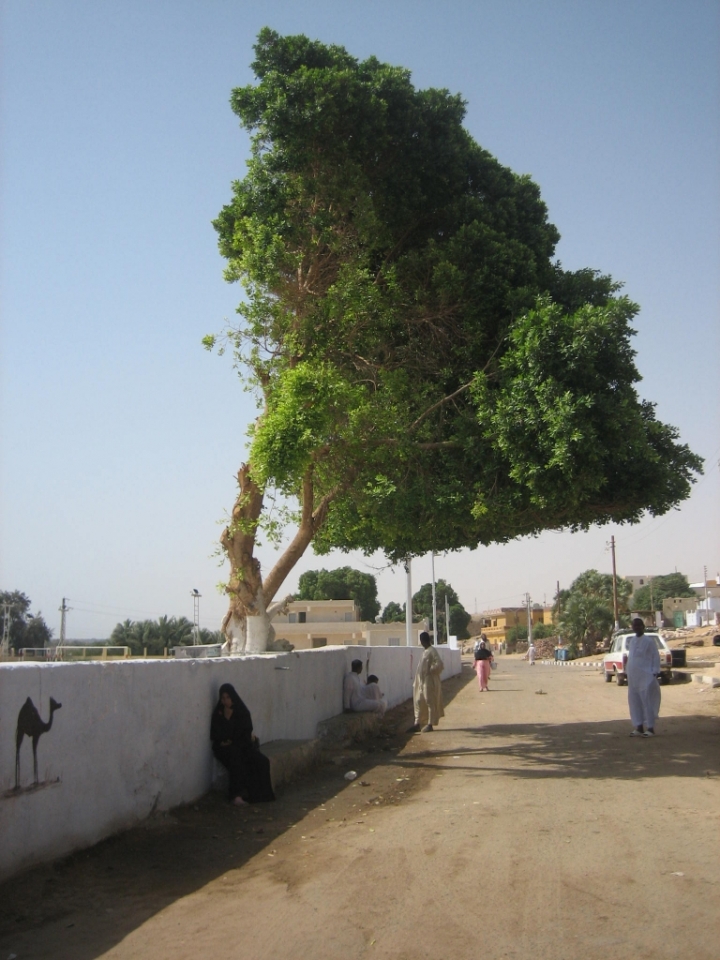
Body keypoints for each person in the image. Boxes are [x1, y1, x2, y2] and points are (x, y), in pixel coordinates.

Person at [210, 683, 275, 806]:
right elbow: (217, 735)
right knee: (236, 759)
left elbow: (245, 732)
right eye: (223, 698)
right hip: (225, 749)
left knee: (261, 761)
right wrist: (226, 719)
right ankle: (236, 795)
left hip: (242, 745)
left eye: (228, 698)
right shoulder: (219, 713)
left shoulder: (241, 711)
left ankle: (261, 795)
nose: (225, 701)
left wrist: (233, 738)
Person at [627, 618, 661, 737]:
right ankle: (639, 727)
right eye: (634, 625)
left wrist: (654, 672)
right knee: (634, 702)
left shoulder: (649, 641)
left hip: (646, 677)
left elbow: (655, 657)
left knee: (647, 702)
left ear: (643, 626)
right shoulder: (632, 641)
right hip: (633, 678)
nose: (636, 627)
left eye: (638, 625)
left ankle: (650, 728)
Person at [408, 632, 445, 733]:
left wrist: (431, 670)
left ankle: (430, 723)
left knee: (430, 701)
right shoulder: (425, 652)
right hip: (421, 681)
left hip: (429, 681)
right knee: (419, 700)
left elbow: (440, 664)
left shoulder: (432, 651)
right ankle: (417, 723)